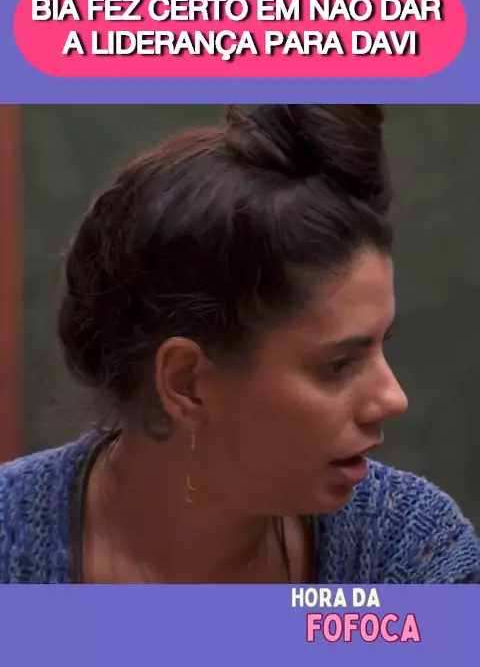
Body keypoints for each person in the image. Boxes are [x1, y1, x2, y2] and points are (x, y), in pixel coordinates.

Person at [0, 104, 478, 585]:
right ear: (186, 384)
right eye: (338, 365)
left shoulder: (409, 554)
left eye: (380, 346)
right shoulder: (12, 546)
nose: (393, 399)